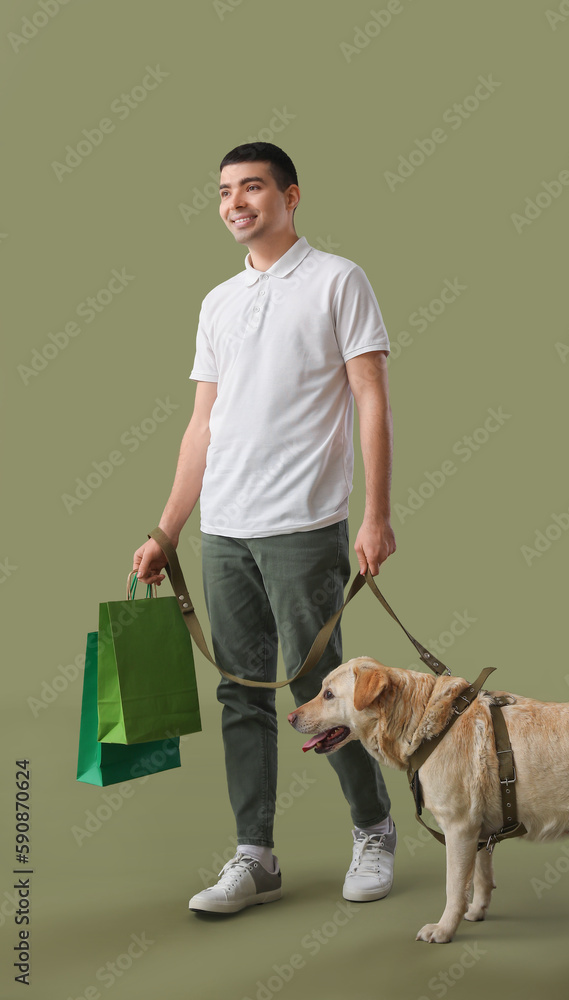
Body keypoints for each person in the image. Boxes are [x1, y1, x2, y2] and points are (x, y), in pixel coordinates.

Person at [132, 141, 397, 914]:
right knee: (239, 693)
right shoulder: (216, 302)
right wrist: (167, 530)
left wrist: (375, 515)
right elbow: (200, 427)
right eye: (224, 191)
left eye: (252, 187)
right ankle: (255, 856)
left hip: (304, 524)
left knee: (324, 686)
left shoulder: (337, 280)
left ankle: (373, 827)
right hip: (225, 528)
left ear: (291, 195)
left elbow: (370, 399)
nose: (235, 202)